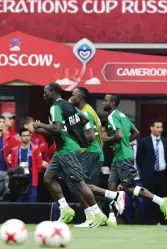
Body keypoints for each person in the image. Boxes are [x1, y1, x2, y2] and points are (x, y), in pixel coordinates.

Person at [33, 82, 107, 228]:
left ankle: (98, 214)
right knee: (48, 178)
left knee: (78, 183)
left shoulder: (55, 107)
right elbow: (84, 119)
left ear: (54, 92)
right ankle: (65, 210)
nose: (44, 95)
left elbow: (57, 128)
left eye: (45, 92)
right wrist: (74, 132)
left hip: (67, 150)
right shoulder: (69, 106)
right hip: (63, 149)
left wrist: (40, 125)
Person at [103, 94, 167, 221]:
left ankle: (160, 201)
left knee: (129, 187)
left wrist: (107, 139)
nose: (103, 103)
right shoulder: (122, 115)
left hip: (123, 157)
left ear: (112, 103)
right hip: (120, 156)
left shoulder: (112, 116)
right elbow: (136, 133)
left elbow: (118, 136)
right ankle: (111, 217)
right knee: (111, 187)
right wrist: (124, 144)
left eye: (105, 101)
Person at [69, 87, 125, 227]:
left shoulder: (86, 112)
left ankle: (107, 203)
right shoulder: (86, 111)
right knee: (81, 185)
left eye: (73, 95)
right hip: (92, 152)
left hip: (90, 152)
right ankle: (97, 213)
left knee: (80, 185)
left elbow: (90, 136)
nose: (71, 97)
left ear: (80, 97)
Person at [137, 119, 167, 224]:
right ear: (151, 128)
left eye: (161, 127)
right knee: (148, 200)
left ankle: (164, 222)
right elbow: (139, 159)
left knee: (163, 199)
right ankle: (148, 222)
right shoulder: (143, 142)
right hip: (149, 176)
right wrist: (145, 173)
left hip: (163, 175)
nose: (159, 129)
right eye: (157, 127)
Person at [9, 128, 43, 202]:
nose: (26, 137)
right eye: (24, 136)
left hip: (31, 180)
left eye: (28, 135)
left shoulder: (35, 149)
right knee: (20, 205)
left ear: (30, 136)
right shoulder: (14, 150)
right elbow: (13, 166)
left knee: (32, 203)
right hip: (19, 181)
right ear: (20, 137)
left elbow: (39, 166)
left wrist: (32, 172)